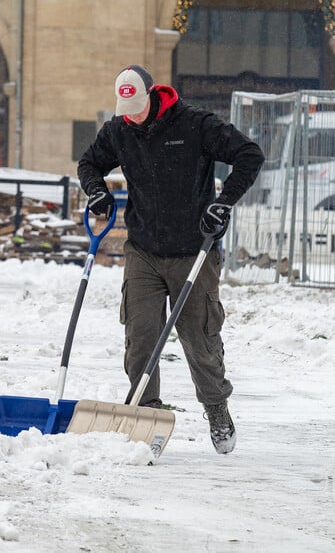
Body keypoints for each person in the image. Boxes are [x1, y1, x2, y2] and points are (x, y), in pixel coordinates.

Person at [77, 64, 264, 454]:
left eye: (140, 106)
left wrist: (224, 202)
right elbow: (89, 163)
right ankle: (146, 414)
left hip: (194, 248)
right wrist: (96, 190)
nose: (134, 115)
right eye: (126, 109)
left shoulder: (194, 124)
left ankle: (216, 408)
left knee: (200, 339)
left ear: (153, 95)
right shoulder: (119, 130)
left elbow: (249, 154)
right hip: (143, 249)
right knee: (140, 335)